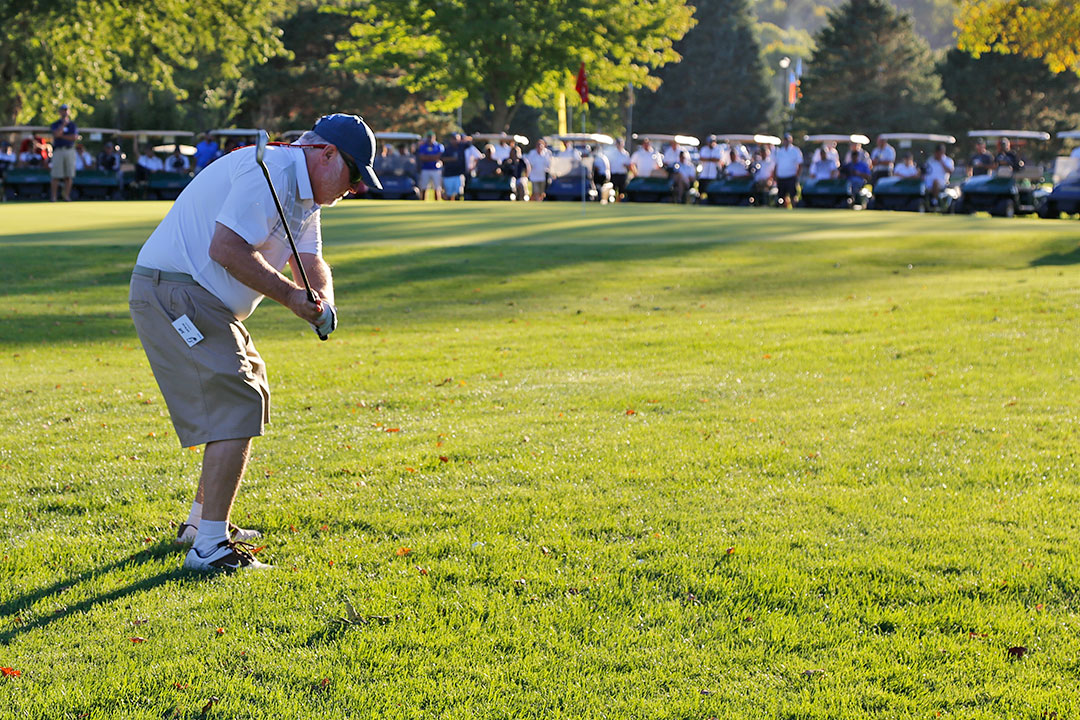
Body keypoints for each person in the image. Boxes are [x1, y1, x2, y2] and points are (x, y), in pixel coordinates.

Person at [129, 112, 380, 573]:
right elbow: (225, 249)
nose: (357, 188)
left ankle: (200, 523)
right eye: (355, 174)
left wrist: (321, 299)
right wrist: (289, 296)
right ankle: (208, 548)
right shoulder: (272, 170)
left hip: (198, 298)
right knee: (237, 399)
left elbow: (311, 259)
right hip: (174, 292)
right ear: (325, 154)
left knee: (251, 389)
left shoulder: (303, 192)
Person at [50, 103, 78, 202]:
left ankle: (66, 196)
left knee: (69, 175)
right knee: (56, 175)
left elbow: (74, 137)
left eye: (66, 110)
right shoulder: (55, 124)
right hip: (58, 150)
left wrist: (61, 136)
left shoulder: (72, 125)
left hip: (69, 150)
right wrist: (63, 125)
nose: (64, 112)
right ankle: (54, 197)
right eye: (63, 110)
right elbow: (56, 134)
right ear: (59, 112)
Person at [773, 133, 802, 208]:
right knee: (781, 197)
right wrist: (775, 176)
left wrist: (797, 175)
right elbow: (776, 165)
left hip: (791, 177)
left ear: (791, 140)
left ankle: (794, 209)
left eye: (788, 140)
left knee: (793, 196)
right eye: (785, 140)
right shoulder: (780, 151)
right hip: (781, 177)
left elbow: (800, 164)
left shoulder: (795, 150)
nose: (786, 141)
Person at [416, 131, 444, 200]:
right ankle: (423, 202)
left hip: (436, 170)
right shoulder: (423, 146)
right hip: (425, 169)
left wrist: (428, 157)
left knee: (437, 188)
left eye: (431, 137)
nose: (430, 139)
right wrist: (433, 158)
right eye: (428, 137)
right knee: (424, 187)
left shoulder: (439, 146)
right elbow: (422, 157)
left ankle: (437, 204)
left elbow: (439, 156)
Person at [440, 133, 467, 200]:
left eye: (457, 139)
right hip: (449, 174)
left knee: (459, 193)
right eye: (454, 139)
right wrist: (452, 159)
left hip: (459, 174)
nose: (455, 141)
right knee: (449, 194)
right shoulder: (448, 148)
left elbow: (471, 141)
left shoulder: (462, 147)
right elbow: (442, 158)